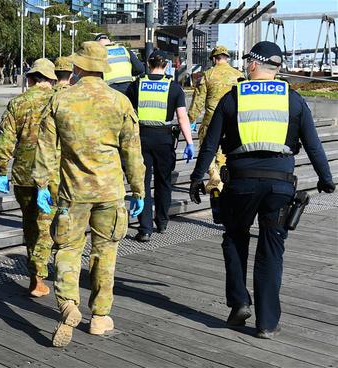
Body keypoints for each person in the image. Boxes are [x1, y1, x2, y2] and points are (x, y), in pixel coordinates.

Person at [189, 41, 335, 339]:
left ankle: (240, 301)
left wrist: (196, 177)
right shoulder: (293, 99)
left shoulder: (234, 97)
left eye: (247, 63)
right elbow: (312, 143)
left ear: (254, 65)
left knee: (235, 238)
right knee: (271, 247)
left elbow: (210, 143)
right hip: (280, 186)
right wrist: (326, 178)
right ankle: (267, 322)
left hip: (240, 183)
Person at [33, 41, 146, 348]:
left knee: (68, 250)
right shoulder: (120, 102)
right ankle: (99, 317)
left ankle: (69, 304)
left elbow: (45, 148)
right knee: (105, 253)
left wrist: (42, 184)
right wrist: (138, 189)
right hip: (110, 191)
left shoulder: (61, 101)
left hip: (73, 193)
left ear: (78, 68)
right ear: (103, 69)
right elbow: (132, 153)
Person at [0, 58, 58, 298]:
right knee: (47, 227)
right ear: (50, 80)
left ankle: (35, 275)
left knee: (31, 226)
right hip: (51, 173)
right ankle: (40, 276)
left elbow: (6, 139)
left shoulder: (16, 103)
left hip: (23, 174)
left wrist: (2, 169)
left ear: (30, 79)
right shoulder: (57, 101)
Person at [126, 49, 195, 239]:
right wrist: (189, 142)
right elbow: (182, 117)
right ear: (166, 66)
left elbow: (128, 113)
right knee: (164, 181)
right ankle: (162, 221)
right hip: (164, 140)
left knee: (143, 183)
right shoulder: (173, 88)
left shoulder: (137, 85)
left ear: (148, 64)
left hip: (141, 138)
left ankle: (145, 229)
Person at [188, 45, 243, 197]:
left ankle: (214, 177)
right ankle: (223, 178)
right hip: (233, 121)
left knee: (207, 149)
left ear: (214, 58)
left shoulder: (207, 75)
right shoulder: (239, 75)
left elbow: (198, 102)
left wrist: (190, 119)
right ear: (226, 58)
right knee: (226, 151)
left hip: (211, 120)